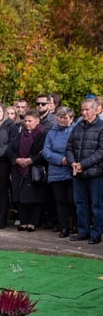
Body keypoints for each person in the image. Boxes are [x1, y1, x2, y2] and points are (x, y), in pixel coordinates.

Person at [66, 98, 103, 244]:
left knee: (97, 205)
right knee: (80, 204)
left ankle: (96, 234)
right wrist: (73, 163)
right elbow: (69, 147)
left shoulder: (101, 127)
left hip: (95, 173)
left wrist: (83, 164)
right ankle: (83, 232)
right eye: (82, 109)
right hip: (78, 172)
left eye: (87, 109)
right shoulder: (78, 126)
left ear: (95, 110)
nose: (84, 112)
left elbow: (101, 152)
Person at [8, 110, 48, 232]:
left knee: (34, 197)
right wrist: (16, 159)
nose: (27, 123)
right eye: (25, 121)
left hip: (34, 168)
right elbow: (10, 149)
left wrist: (31, 160)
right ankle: (23, 221)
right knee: (20, 196)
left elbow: (44, 152)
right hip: (19, 168)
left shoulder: (43, 134)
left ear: (37, 121)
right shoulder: (20, 134)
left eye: (30, 121)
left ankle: (32, 222)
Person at [42, 106, 76, 238]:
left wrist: (69, 159)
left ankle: (76, 225)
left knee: (73, 201)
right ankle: (64, 227)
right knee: (60, 201)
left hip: (72, 170)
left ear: (71, 118)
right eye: (59, 117)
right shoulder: (52, 132)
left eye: (64, 117)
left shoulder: (76, 130)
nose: (61, 120)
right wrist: (60, 159)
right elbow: (46, 151)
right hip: (56, 171)